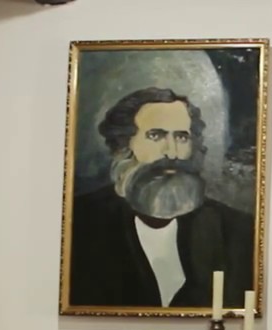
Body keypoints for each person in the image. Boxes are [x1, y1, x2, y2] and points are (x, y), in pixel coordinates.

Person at [66, 86, 254, 310]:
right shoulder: (80, 222)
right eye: (155, 136)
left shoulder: (235, 230)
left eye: (181, 137)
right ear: (123, 146)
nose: (172, 152)